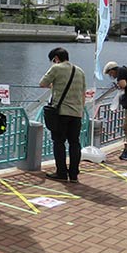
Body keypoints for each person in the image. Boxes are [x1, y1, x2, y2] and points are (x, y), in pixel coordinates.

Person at [39, 47, 86, 182]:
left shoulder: (56, 68)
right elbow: (83, 93)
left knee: (59, 142)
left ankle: (61, 172)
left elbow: (42, 83)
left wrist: (55, 85)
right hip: (77, 113)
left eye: (53, 60)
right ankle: (74, 174)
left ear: (56, 58)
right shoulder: (80, 71)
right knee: (74, 143)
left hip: (61, 112)